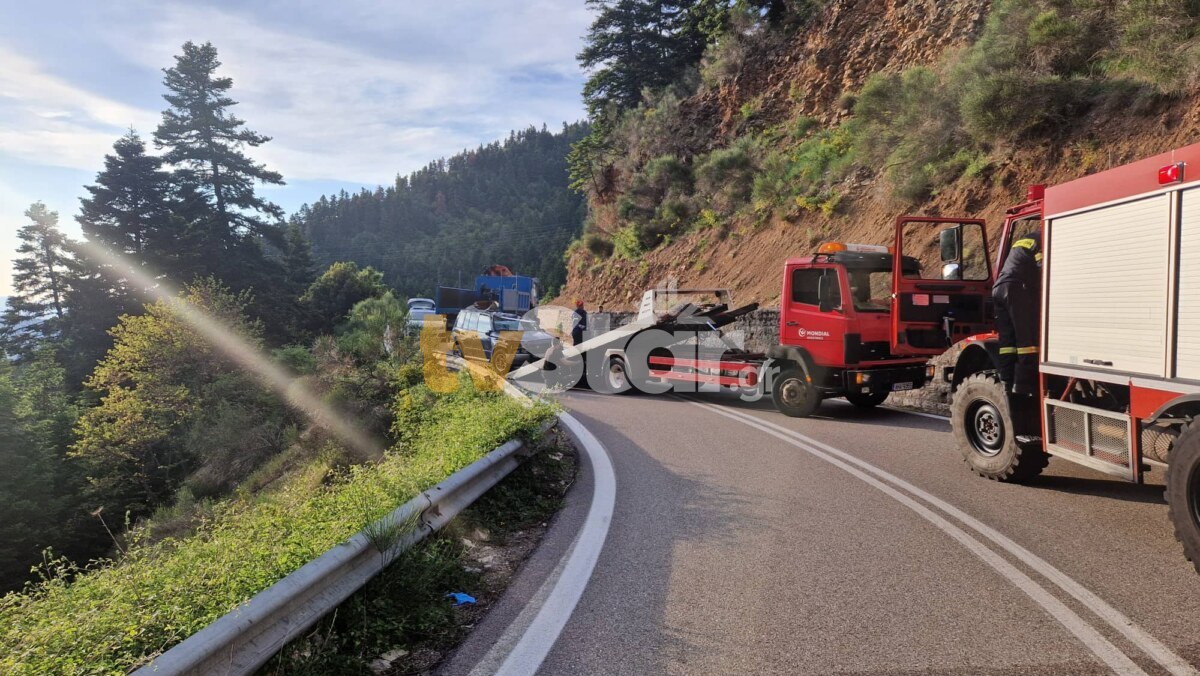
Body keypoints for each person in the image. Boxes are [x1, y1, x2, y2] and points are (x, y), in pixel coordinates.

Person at [993, 231, 1042, 395]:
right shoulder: (1044, 239)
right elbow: (1044, 270)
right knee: (1026, 340)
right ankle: (1024, 385)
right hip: (1015, 288)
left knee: (1007, 342)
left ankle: (1006, 381)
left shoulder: (1026, 239)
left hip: (999, 288)